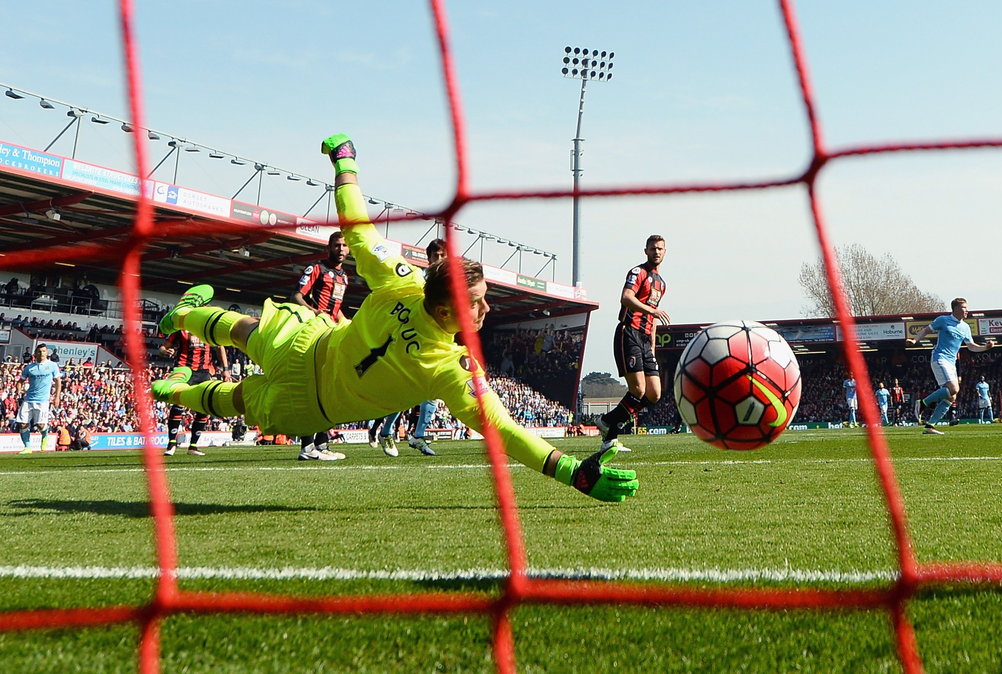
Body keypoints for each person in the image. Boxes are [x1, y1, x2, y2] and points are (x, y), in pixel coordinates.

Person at [148, 133, 637, 502]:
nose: (487, 309)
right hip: (312, 399)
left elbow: (357, 227)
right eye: (479, 301)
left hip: (309, 350)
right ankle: (178, 355)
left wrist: (347, 166)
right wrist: (573, 472)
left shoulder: (401, 278)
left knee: (244, 346)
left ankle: (178, 362)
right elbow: (502, 429)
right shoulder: (449, 367)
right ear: (447, 310)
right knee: (237, 380)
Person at [594, 235, 669, 450]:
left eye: (660, 249)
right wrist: (651, 310)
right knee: (637, 389)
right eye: (653, 248)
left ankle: (607, 421)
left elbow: (653, 320)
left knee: (654, 394)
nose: (656, 252)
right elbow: (626, 297)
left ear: (665, 252)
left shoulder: (662, 284)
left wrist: (652, 346)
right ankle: (610, 435)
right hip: (629, 333)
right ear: (645, 250)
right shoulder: (638, 272)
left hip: (645, 340)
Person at [290, 230, 352, 460]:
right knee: (313, 389)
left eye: (345, 246)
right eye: (337, 245)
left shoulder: (344, 277)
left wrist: (346, 323)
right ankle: (307, 447)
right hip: (315, 333)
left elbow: (336, 309)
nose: (341, 249)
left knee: (328, 390)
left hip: (331, 333)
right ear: (329, 247)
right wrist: (315, 312)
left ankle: (322, 445)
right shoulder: (317, 268)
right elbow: (297, 295)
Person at [905, 298, 995, 435]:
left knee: (952, 397)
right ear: (956, 309)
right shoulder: (943, 320)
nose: (967, 310)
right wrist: (914, 340)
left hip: (951, 363)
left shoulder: (965, 327)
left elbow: (971, 346)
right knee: (954, 388)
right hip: (939, 358)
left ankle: (930, 426)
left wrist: (985, 347)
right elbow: (926, 330)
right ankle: (922, 403)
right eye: (964, 307)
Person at [405, 238, 447, 457]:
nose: (439, 259)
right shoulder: (421, 278)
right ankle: (386, 431)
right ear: (428, 258)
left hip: (435, 341)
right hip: (415, 338)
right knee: (405, 391)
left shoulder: (449, 282)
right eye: (435, 256)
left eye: (442, 255)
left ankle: (418, 435)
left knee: (430, 390)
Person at [159, 327, 230, 456]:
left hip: (203, 372)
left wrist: (225, 369)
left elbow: (220, 348)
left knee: (203, 407)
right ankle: (171, 444)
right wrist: (165, 352)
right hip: (183, 370)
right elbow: (163, 347)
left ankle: (193, 446)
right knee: (179, 404)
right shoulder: (180, 330)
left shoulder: (208, 329)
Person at [16, 343, 62, 453]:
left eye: (44, 351)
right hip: (29, 399)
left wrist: (57, 397)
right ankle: (28, 447)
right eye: (39, 351)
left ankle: (45, 436)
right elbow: (20, 381)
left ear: (47, 353)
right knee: (23, 423)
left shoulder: (52, 365)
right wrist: (19, 392)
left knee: (41, 425)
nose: (42, 353)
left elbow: (58, 381)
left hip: (43, 400)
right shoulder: (29, 368)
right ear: (35, 353)